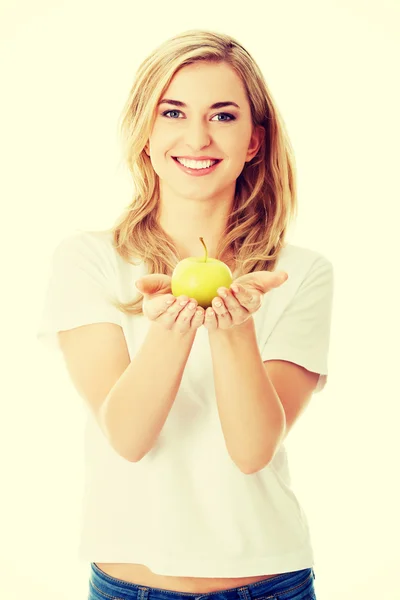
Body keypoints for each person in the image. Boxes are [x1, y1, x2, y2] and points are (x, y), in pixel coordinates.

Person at [37, 29, 333, 600]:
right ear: (146, 132)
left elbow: (251, 452)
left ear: (254, 141)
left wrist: (234, 329)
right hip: (128, 587)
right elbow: (128, 435)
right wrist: (170, 330)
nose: (197, 136)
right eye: (173, 111)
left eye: (224, 116)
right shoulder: (89, 260)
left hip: (270, 586)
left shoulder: (300, 273)